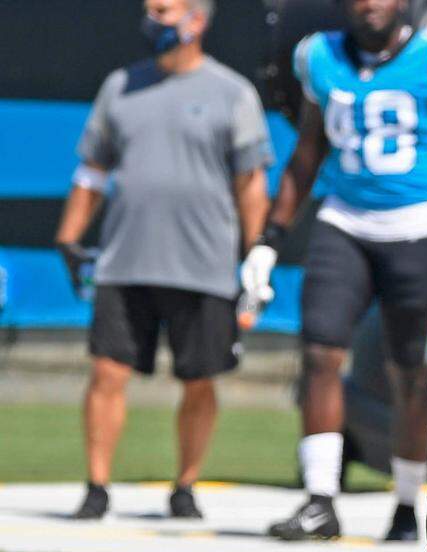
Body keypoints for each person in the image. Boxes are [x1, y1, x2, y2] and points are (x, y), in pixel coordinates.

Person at [245, 0, 427, 542]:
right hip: (345, 220)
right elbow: (307, 152)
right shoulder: (320, 56)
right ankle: (319, 499)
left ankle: (408, 504)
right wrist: (269, 238)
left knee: (411, 373)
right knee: (319, 353)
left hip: (418, 223)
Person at [55, 0, 273, 520]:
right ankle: (97, 486)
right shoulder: (120, 86)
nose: (153, 19)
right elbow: (91, 170)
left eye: (164, 9)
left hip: (204, 264)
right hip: (124, 260)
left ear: (196, 20)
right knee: (107, 372)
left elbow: (251, 182)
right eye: (150, 9)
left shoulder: (232, 92)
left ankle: (185, 485)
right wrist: (69, 235)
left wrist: (255, 250)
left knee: (199, 379)